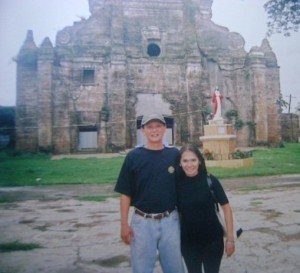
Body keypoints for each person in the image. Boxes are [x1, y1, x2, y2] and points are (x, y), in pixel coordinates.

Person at [114, 113, 185, 273]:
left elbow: (184, 187)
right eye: (150, 127)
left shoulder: (174, 155)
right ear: (143, 130)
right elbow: (125, 192)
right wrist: (124, 224)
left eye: (158, 126)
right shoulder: (133, 157)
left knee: (175, 268)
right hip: (142, 223)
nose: (154, 130)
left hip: (170, 221)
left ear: (165, 128)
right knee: (142, 269)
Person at [176, 144, 235, 273]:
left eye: (193, 160)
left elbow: (226, 208)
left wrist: (230, 240)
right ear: (180, 163)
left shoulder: (210, 180)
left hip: (212, 241)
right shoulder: (176, 184)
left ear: (199, 161)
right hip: (188, 242)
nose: (189, 164)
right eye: (185, 161)